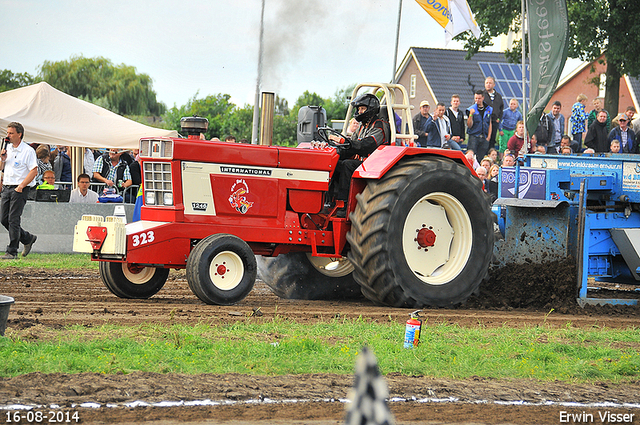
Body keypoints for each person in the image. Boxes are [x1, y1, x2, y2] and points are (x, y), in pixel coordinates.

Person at [325, 93, 389, 215]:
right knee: (335, 162)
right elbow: (351, 145)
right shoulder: (362, 126)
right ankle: (329, 200)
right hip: (362, 162)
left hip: (373, 164)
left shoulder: (379, 126)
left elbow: (367, 145)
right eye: (359, 109)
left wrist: (344, 141)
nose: (359, 112)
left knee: (347, 165)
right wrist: (335, 149)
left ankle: (343, 204)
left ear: (371, 109)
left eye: (362, 109)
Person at [0, 122, 38, 259]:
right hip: (7, 186)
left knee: (13, 219)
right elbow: (0, 167)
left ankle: (12, 251)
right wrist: (2, 159)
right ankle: (27, 238)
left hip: (19, 188)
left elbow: (34, 170)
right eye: (7, 132)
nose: (8, 135)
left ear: (19, 134)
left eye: (11, 133)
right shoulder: (8, 148)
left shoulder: (27, 151)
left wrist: (21, 186)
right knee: (4, 219)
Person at [466, 90, 493, 161]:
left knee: (481, 158)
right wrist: (471, 115)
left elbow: (489, 123)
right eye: (476, 98)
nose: (477, 100)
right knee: (470, 156)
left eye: (479, 98)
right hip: (474, 136)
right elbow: (469, 125)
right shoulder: (471, 109)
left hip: (484, 137)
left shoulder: (488, 109)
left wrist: (489, 137)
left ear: (483, 98)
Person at [482, 76, 504, 147]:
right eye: (487, 83)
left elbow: (501, 108)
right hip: (484, 122)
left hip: (494, 122)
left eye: (490, 83)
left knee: (492, 141)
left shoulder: (498, 96)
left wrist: (498, 119)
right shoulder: (481, 95)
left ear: (494, 85)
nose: (488, 84)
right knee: (483, 140)